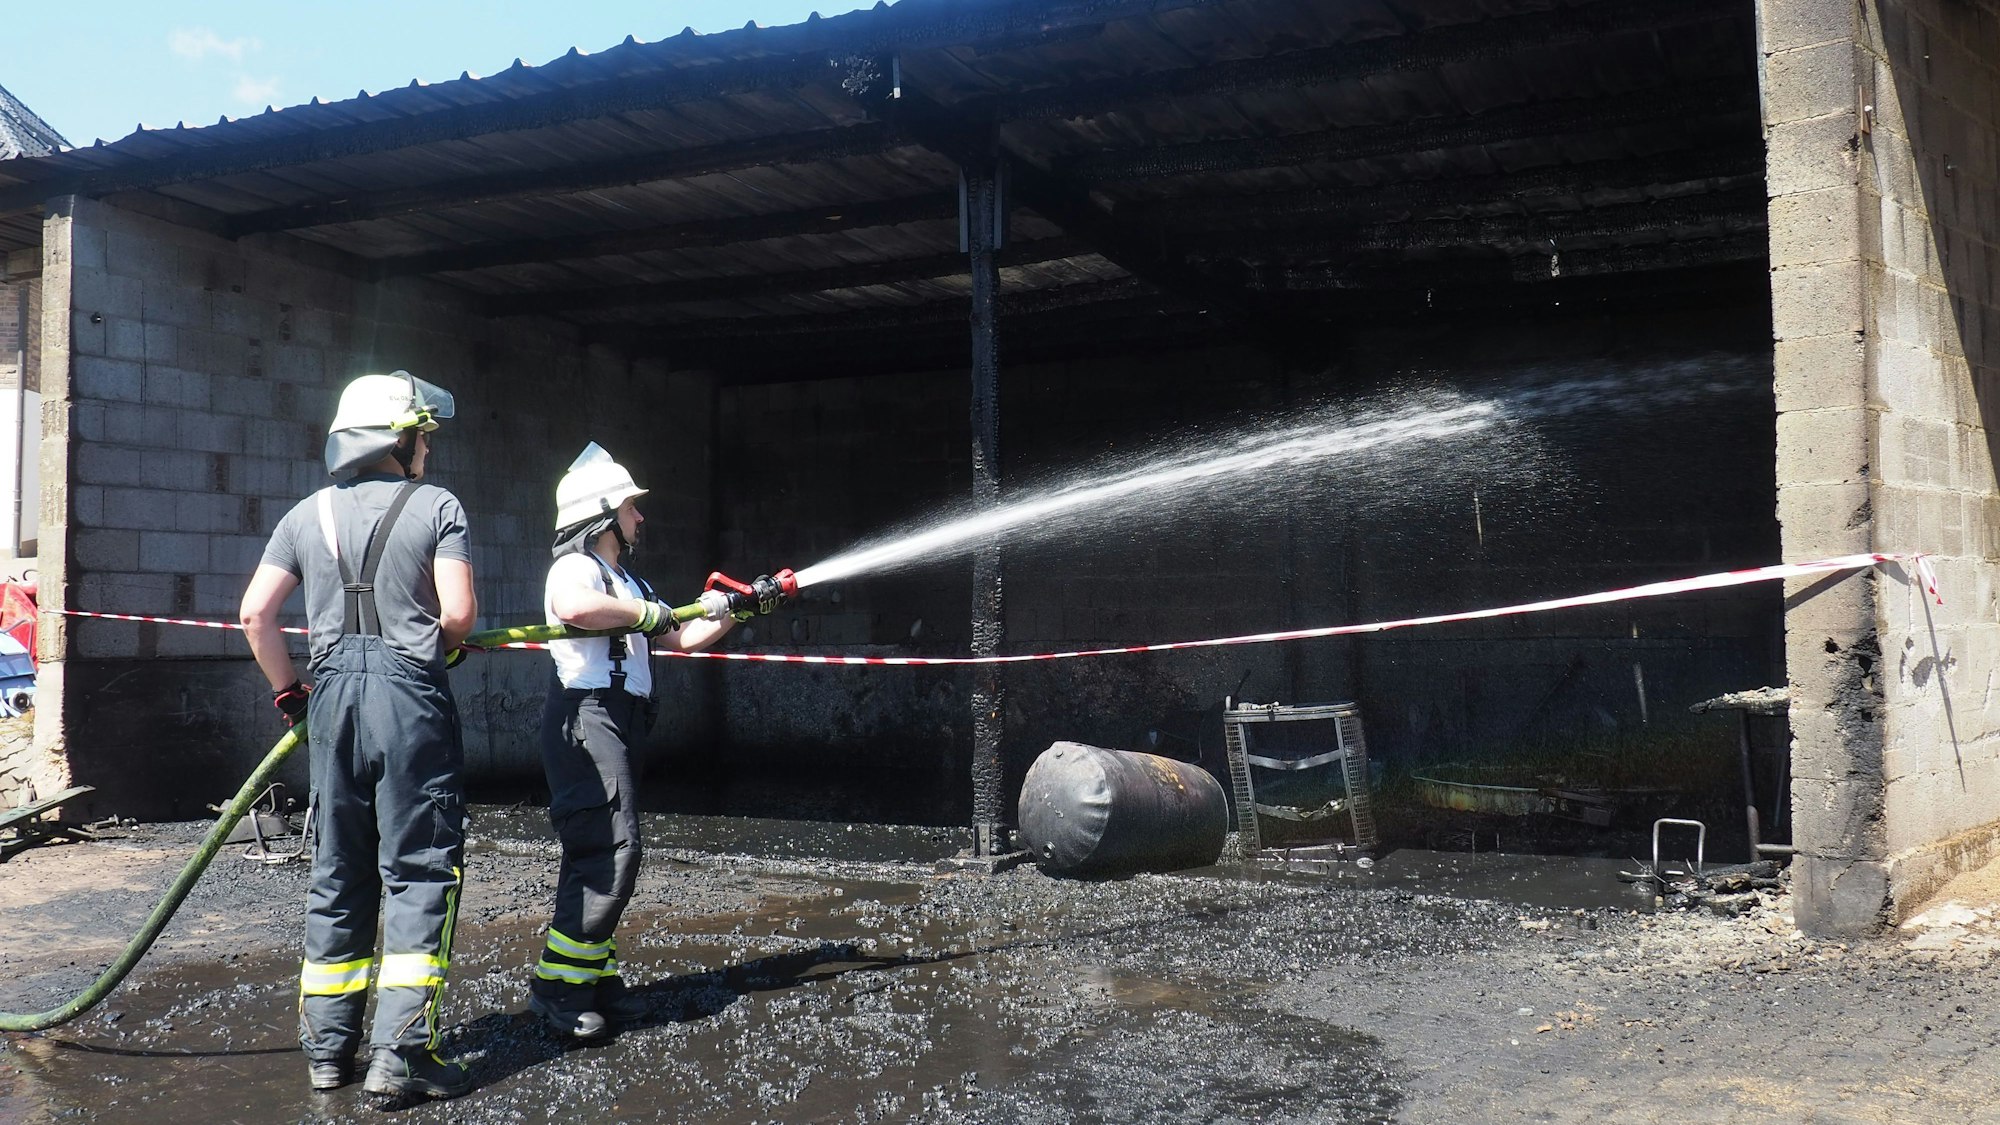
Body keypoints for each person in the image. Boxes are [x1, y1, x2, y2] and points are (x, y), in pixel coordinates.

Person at [238, 371, 478, 1100]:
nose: (428, 449)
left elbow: (256, 614)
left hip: (333, 700)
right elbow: (459, 615)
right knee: (421, 868)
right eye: (423, 435)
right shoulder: (437, 505)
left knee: (340, 870)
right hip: (410, 701)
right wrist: (445, 644)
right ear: (397, 438)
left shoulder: (305, 514)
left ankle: (328, 1052)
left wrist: (290, 692)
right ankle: (401, 1055)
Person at [528, 442, 745, 1039]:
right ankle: (558, 985)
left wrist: (739, 610)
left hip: (622, 718)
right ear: (601, 513)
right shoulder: (577, 569)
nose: (639, 517)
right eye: (630, 506)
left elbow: (680, 638)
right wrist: (645, 614)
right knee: (612, 848)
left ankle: (595, 979)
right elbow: (574, 607)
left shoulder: (627, 578)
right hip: (587, 715)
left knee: (603, 847)